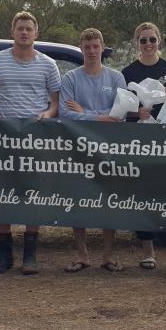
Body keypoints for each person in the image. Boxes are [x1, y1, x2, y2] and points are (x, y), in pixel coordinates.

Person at [0, 11, 61, 275]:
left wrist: (47, 115)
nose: (24, 33)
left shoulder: (49, 64)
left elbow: (55, 102)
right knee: (2, 193)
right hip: (3, 136)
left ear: (36, 33)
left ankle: (30, 255)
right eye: (20, 28)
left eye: (29, 29)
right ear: (12, 31)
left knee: (31, 193)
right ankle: (4, 254)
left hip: (35, 138)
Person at [59, 28, 125, 273]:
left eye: (95, 46)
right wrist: (100, 116)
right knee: (79, 200)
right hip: (78, 148)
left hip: (109, 149)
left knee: (109, 200)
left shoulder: (116, 77)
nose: (91, 51)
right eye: (87, 47)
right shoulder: (71, 79)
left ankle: (108, 256)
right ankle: (82, 255)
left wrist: (84, 113)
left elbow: (119, 114)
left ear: (102, 47)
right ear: (81, 49)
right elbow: (66, 114)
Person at [121, 22, 166, 271]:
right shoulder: (127, 72)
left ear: (159, 41)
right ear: (137, 43)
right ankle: (148, 251)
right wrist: (136, 113)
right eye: (143, 40)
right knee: (142, 193)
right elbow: (121, 110)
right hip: (139, 142)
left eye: (152, 39)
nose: (148, 44)